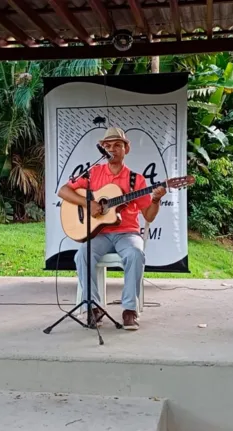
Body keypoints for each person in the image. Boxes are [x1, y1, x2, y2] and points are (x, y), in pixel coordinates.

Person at [57, 127, 166, 330]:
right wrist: (87, 203)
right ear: (103, 150)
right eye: (108, 146)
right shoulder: (93, 174)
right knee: (82, 255)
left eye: (118, 145)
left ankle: (129, 310)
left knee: (135, 253)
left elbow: (148, 215)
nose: (113, 149)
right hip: (100, 234)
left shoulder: (136, 180)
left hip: (127, 233)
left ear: (127, 149)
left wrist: (156, 199)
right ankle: (94, 307)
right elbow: (63, 191)